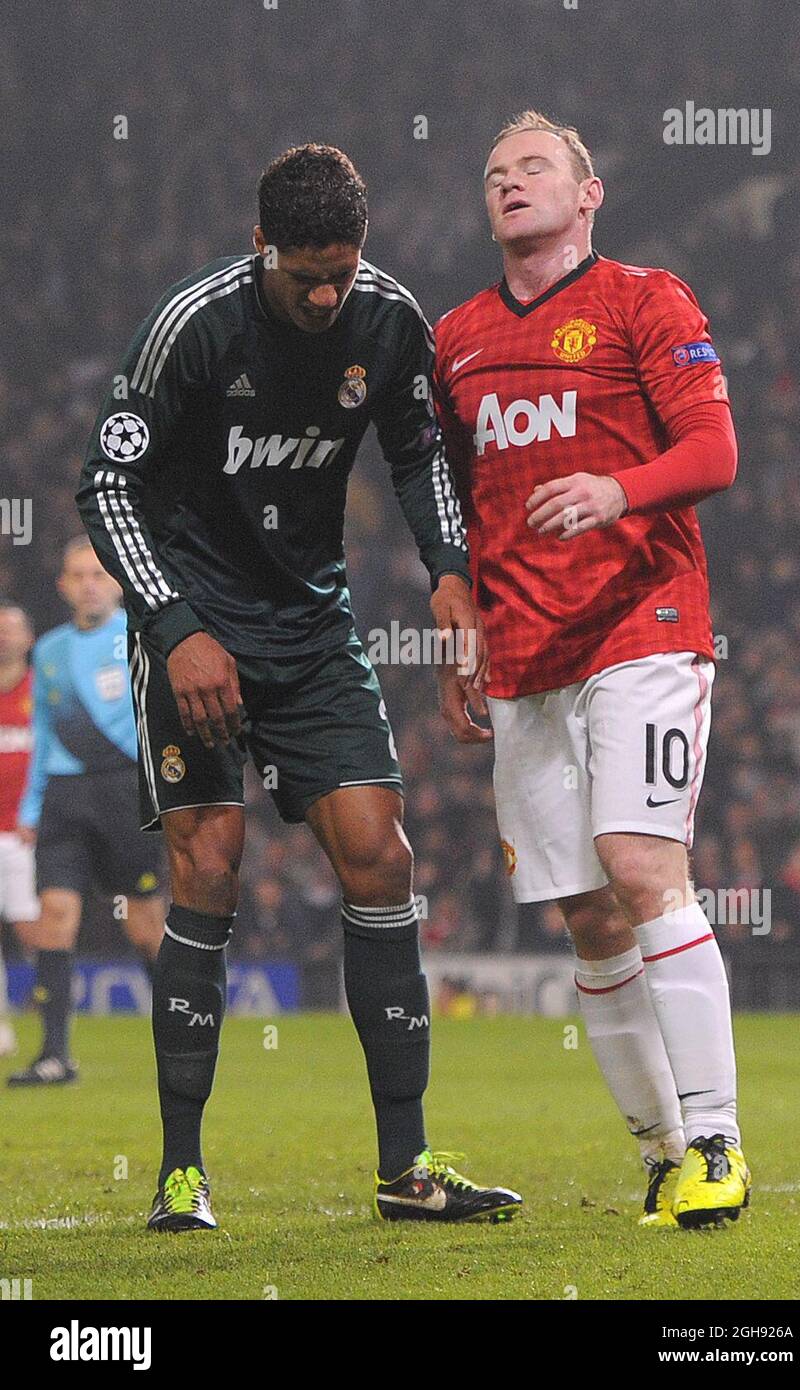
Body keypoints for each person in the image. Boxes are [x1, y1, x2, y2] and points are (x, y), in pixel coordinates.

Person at [76, 143, 521, 1231]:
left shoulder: (385, 317)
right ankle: (183, 1170)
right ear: (259, 245)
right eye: (303, 274)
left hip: (313, 625)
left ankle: (405, 1166)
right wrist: (176, 627)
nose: (326, 295)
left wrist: (450, 571)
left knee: (382, 853)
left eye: (343, 270)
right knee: (209, 871)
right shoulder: (195, 325)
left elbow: (418, 448)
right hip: (194, 622)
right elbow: (106, 483)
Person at [433, 111, 749, 1229]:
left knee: (638, 862)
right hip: (522, 651)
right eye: (494, 172)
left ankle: (718, 1137)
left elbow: (715, 451)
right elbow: (455, 497)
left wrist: (620, 490)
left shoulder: (642, 300)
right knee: (584, 911)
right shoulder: (458, 337)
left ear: (590, 191)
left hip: (642, 622)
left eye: (533, 168)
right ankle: (664, 1149)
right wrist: (457, 600)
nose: (509, 184)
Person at [8, 539, 165, 1086]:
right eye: (77, 575)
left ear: (116, 582)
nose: (88, 583)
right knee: (54, 916)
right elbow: (44, 735)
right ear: (63, 586)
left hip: (126, 792)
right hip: (64, 796)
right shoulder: (48, 650)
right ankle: (54, 1055)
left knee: (146, 924)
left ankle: (178, 1038)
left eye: (97, 574)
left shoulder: (142, 637)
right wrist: (30, 808)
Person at [0, 602, 40, 1057]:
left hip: (25, 833)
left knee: (33, 930)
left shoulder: (41, 691)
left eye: (13, 629)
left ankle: (47, 1002)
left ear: (28, 639)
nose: (4, 636)